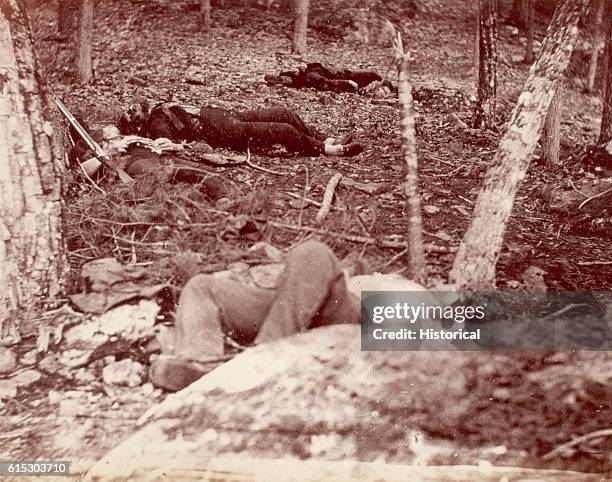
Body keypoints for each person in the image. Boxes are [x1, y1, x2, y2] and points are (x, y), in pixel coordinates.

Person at [150, 241, 361, 391]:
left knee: (312, 251)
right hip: (287, 307)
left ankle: (263, 359)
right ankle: (199, 364)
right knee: (201, 286)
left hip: (336, 317)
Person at [118, 100, 364, 157]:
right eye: (131, 113)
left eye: (129, 106)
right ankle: (327, 150)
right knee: (283, 130)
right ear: (138, 124)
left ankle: (325, 138)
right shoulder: (158, 127)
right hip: (226, 132)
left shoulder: (159, 108)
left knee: (283, 112)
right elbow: (183, 148)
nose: (132, 106)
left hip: (227, 117)